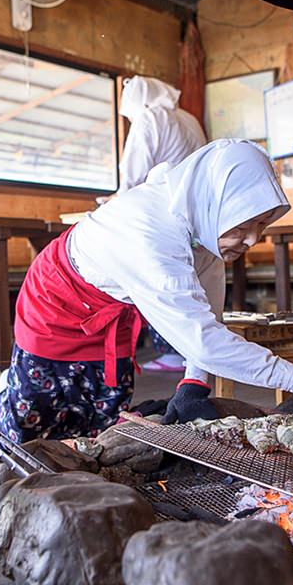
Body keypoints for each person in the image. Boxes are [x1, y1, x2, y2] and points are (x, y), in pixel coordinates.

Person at [0, 139, 293, 455]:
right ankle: (3, 394)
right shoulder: (149, 233)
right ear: (216, 203)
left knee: (101, 409)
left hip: (113, 306)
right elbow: (204, 343)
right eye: (245, 225)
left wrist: (193, 384)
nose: (253, 240)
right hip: (58, 299)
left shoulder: (205, 221)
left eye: (262, 225)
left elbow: (206, 320)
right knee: (38, 408)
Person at [114, 75, 207, 372]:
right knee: (193, 279)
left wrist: (115, 201)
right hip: (198, 213)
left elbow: (132, 177)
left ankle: (168, 350)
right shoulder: (188, 118)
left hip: (162, 213)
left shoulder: (149, 118)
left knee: (156, 276)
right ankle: (195, 351)